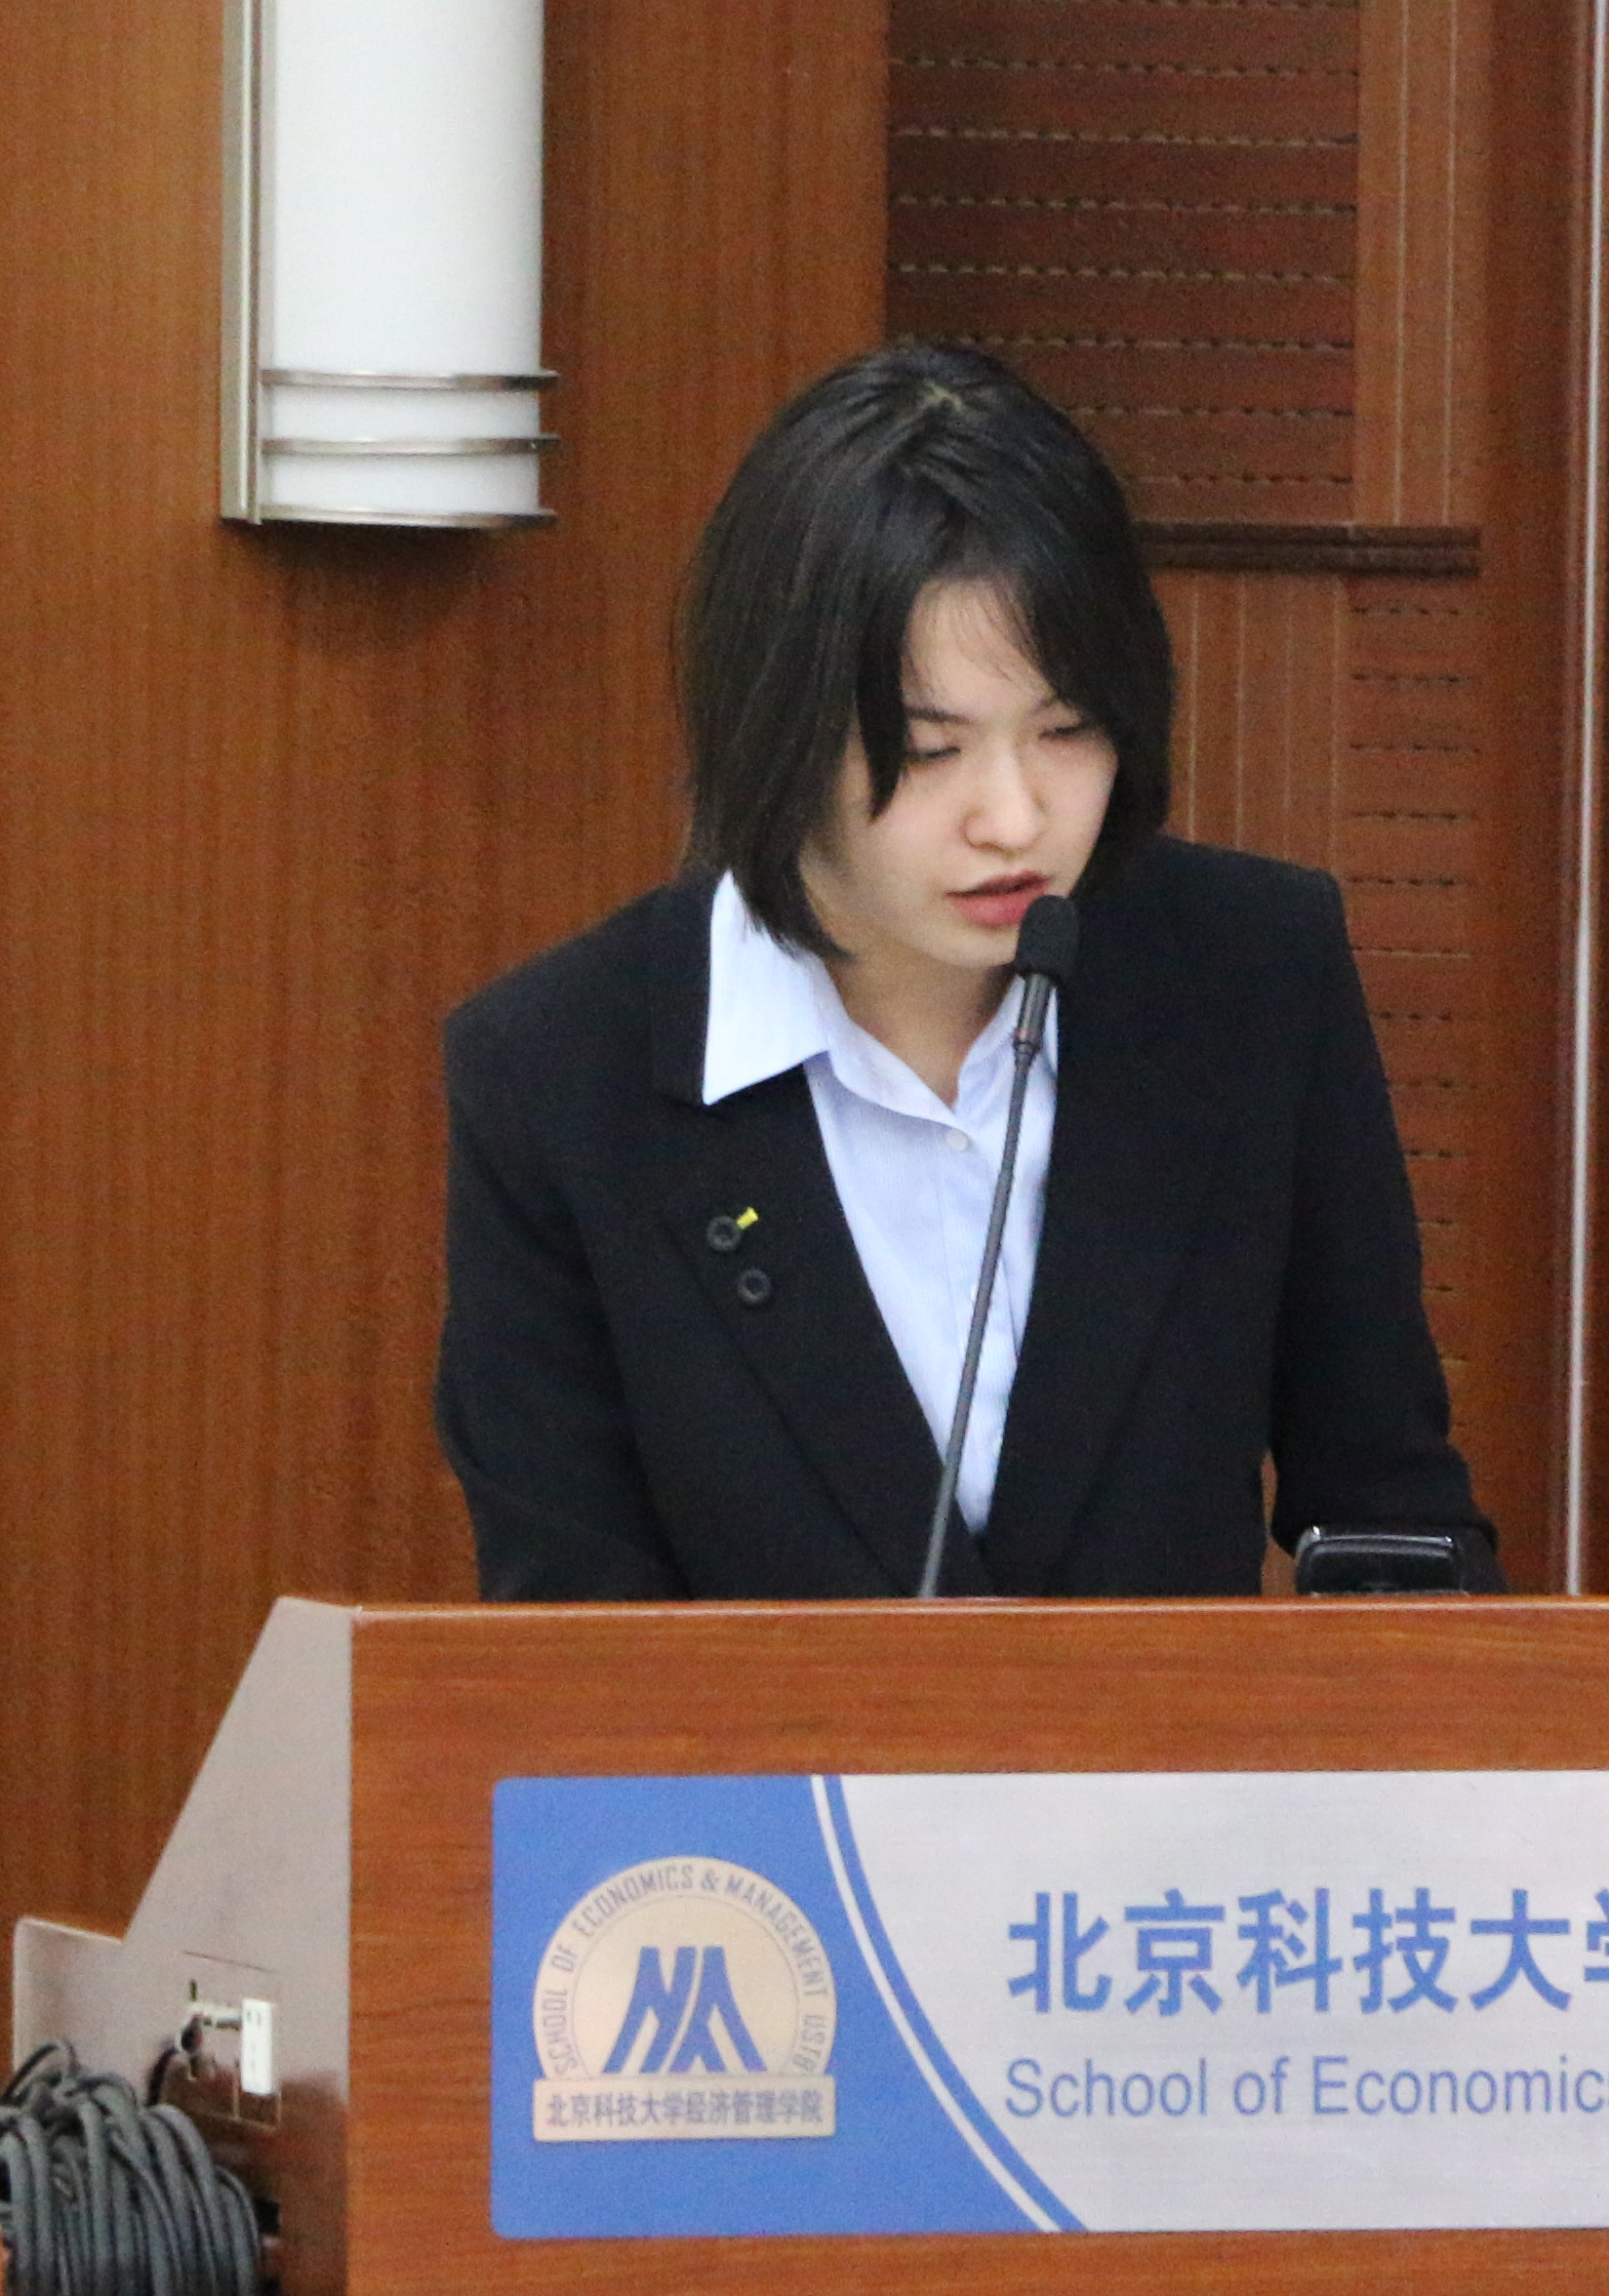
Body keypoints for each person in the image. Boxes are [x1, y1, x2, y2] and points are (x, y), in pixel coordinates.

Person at [435, 342, 1500, 1598]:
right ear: (775, 726)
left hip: (1174, 1738)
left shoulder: (1251, 976)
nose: (1015, 819)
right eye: (932, 751)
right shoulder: (561, 1074)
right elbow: (566, 1629)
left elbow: (1390, 1515)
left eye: (1068, 730)